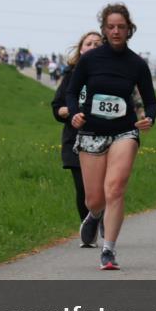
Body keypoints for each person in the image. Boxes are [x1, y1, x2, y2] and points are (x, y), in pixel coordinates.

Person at [66, 4, 156, 270]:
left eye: (121, 27)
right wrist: (74, 114)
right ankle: (95, 215)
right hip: (92, 131)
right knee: (94, 199)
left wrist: (149, 118)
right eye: (111, 27)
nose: (116, 31)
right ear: (104, 29)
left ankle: (109, 250)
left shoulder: (137, 64)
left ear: (129, 30)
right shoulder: (90, 60)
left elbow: (151, 102)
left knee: (115, 188)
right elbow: (72, 92)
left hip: (124, 131)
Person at [52, 31, 102, 228]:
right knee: (83, 189)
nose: (93, 47)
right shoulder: (71, 75)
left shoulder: (111, 76)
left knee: (101, 188)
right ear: (81, 49)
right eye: (89, 43)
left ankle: (103, 222)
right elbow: (57, 107)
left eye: (98, 44)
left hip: (102, 139)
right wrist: (70, 112)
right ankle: (87, 227)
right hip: (75, 140)